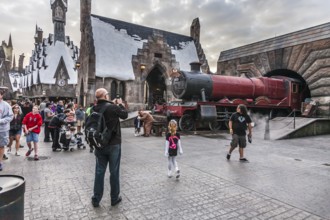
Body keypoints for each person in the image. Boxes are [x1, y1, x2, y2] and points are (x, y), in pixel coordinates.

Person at [91, 88, 128, 208]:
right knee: (114, 172)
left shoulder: (94, 108)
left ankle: (96, 199)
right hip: (113, 144)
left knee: (99, 171)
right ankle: (114, 198)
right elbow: (124, 115)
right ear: (105, 96)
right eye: (107, 94)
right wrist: (120, 104)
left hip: (99, 144)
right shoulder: (113, 107)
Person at [0, 87, 14, 171]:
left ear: (1, 95)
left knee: (1, 146)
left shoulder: (6, 105)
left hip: (2, 129)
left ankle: (0, 162)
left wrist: (1, 121)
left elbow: (10, 116)